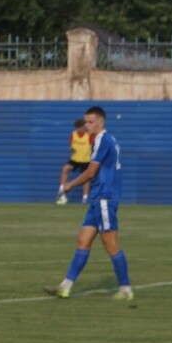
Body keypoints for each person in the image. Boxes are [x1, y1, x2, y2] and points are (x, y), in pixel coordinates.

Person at [45, 106, 133, 301]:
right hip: (97, 198)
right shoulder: (104, 140)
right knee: (82, 241)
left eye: (90, 122)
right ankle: (65, 287)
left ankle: (126, 290)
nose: (86, 125)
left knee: (111, 244)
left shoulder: (102, 139)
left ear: (100, 122)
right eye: (85, 122)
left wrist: (70, 184)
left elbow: (91, 172)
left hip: (104, 198)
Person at [56, 118, 92, 205]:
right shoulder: (74, 134)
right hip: (75, 159)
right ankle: (61, 190)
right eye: (77, 128)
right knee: (65, 169)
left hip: (86, 160)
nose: (78, 129)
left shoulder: (89, 135)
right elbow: (71, 145)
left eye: (80, 127)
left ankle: (85, 198)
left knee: (85, 179)